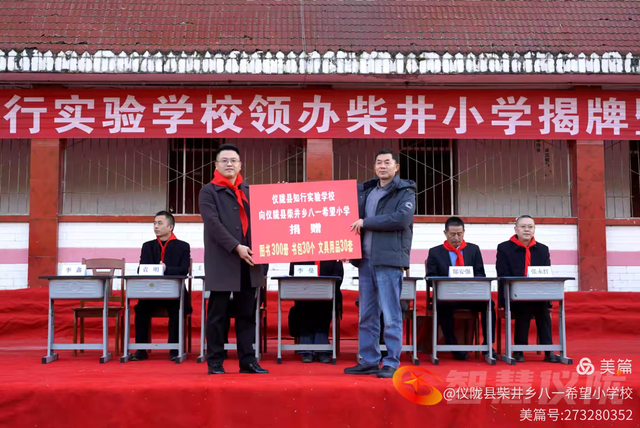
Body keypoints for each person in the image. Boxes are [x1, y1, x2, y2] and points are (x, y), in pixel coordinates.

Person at [344, 149, 416, 379]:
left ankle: (392, 361)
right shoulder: (366, 191)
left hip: (389, 261)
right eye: (378, 162)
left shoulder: (405, 192)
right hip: (365, 261)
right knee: (367, 314)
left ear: (396, 167)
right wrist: (345, 247)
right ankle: (369, 360)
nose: (382, 166)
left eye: (387, 162)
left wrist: (367, 222)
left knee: (391, 313)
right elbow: (343, 214)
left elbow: (401, 219)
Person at [199, 144, 268, 375]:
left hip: (250, 261)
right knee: (217, 315)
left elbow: (268, 218)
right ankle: (215, 361)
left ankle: (247, 361)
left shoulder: (251, 191)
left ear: (240, 165)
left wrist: (278, 197)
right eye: (225, 160)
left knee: (246, 314)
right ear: (216, 165)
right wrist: (236, 247)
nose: (229, 164)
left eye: (233, 160)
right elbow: (213, 224)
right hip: (223, 260)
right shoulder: (208, 191)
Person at [426, 216, 496, 361]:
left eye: (459, 234)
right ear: (445, 233)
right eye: (452, 234)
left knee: (489, 304)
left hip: (470, 295)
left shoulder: (473, 250)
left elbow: (480, 274)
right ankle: (454, 347)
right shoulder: (435, 252)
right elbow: (430, 278)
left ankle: (488, 345)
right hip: (447, 296)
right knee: (441, 306)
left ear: (464, 232)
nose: (456, 238)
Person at [496, 215, 561, 363]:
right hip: (512, 295)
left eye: (530, 227)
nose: (527, 230)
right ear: (516, 229)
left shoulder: (542, 249)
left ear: (534, 229)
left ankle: (548, 351)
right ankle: (519, 350)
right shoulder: (504, 248)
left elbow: (546, 273)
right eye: (523, 227)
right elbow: (502, 274)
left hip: (537, 294)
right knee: (524, 306)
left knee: (543, 309)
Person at [132, 211, 191, 361]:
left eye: (159, 223)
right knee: (140, 308)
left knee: (176, 309)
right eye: (154, 223)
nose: (156, 227)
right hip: (152, 292)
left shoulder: (183, 246)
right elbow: (141, 269)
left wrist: (166, 269)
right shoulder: (148, 246)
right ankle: (141, 349)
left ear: (170, 227)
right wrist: (156, 269)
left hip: (175, 293)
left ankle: (174, 349)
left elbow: (183, 270)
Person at [288, 261, 344, 363]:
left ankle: (322, 350)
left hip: (327, 294)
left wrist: (323, 288)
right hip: (303, 294)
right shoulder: (299, 253)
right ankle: (307, 351)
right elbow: (292, 274)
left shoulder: (332, 253)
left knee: (323, 305)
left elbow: (339, 275)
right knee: (304, 305)